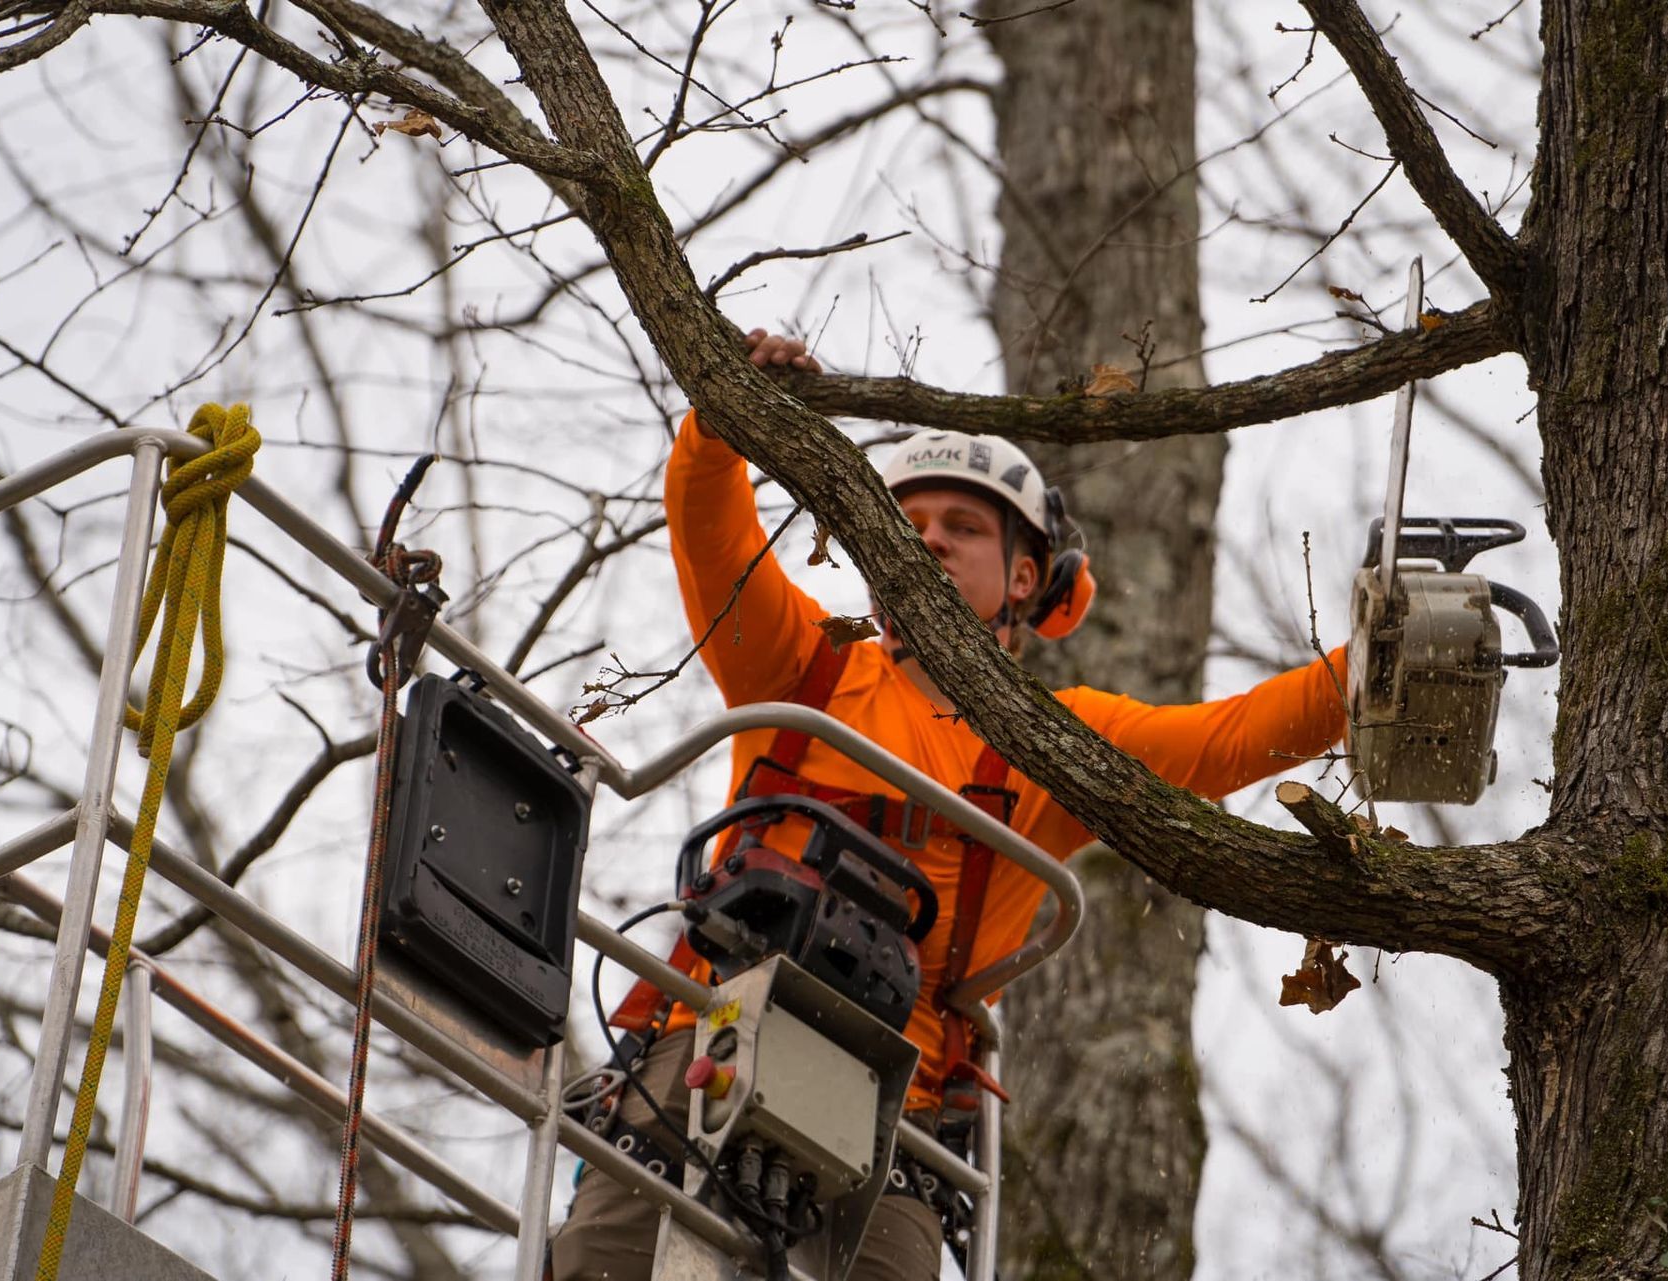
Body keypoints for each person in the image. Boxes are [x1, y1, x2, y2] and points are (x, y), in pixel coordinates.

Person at [552, 330, 1348, 1280]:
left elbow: (1229, 737)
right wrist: (725, 420)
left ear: (1024, 575)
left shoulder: (1049, 741)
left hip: (894, 1124)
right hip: (699, 1047)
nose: (927, 537)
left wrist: (1376, 656)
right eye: (908, 520)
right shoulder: (803, 664)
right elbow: (709, 530)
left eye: (961, 526)